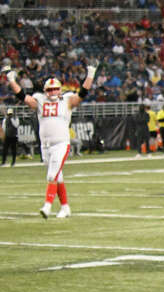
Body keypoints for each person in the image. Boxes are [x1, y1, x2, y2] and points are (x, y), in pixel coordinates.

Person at [5, 62, 98, 219]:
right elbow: (22, 96)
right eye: (50, 89)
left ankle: (47, 206)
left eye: (55, 89)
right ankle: (65, 207)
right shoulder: (40, 100)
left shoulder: (67, 100)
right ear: (45, 91)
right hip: (45, 145)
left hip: (61, 144)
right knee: (58, 176)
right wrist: (12, 80)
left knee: (51, 176)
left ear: (60, 89)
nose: (53, 92)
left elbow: (83, 93)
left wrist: (90, 74)